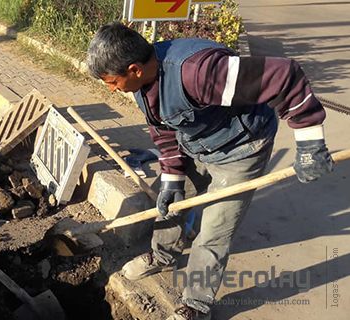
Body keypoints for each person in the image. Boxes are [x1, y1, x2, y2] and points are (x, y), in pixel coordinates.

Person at [86, 22, 334, 320]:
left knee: (214, 233)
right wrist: (172, 178)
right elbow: (164, 132)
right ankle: (163, 256)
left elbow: (285, 76)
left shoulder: (198, 72)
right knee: (170, 205)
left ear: (134, 69)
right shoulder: (143, 85)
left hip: (241, 149)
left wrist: (309, 143)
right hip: (198, 144)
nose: (111, 89)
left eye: (111, 82)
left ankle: (196, 306)